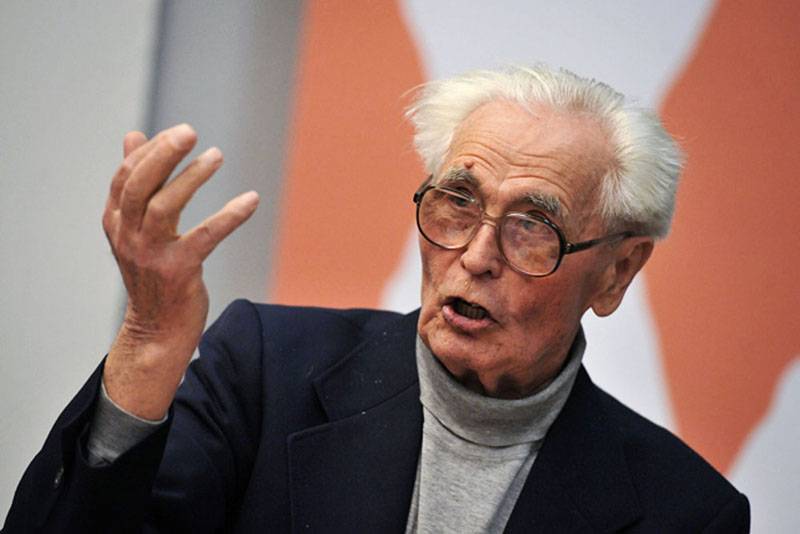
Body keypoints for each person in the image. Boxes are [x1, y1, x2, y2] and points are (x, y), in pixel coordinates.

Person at [4, 65, 749, 533]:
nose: (475, 256)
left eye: (533, 226)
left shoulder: (684, 512)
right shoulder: (266, 372)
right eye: (458, 201)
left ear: (616, 273)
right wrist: (148, 345)